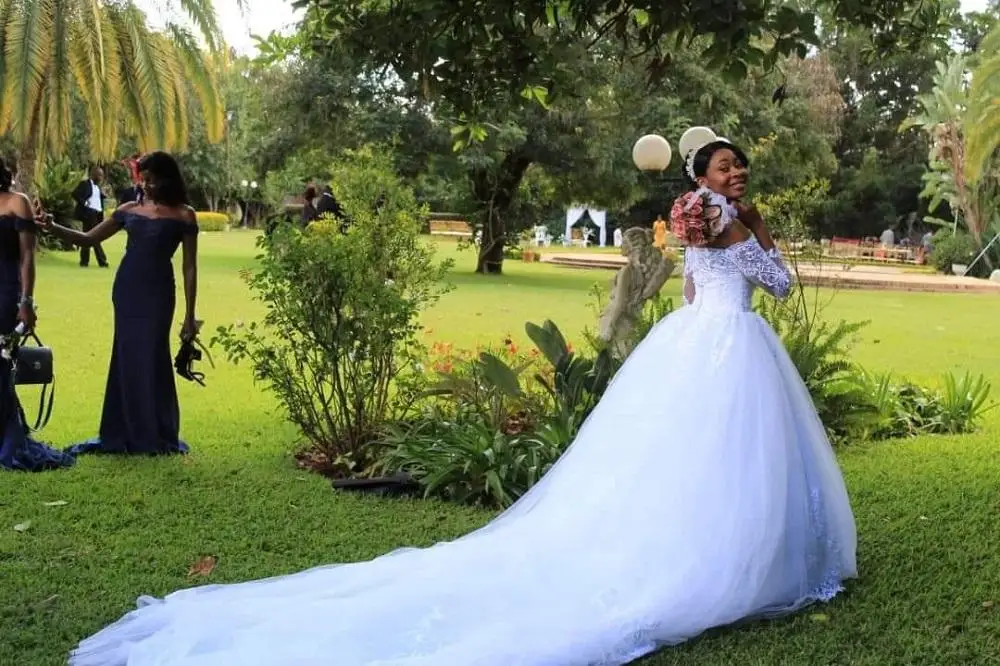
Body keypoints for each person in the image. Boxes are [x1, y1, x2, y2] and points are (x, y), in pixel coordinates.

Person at [66, 142, 856, 665]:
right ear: (702, 181)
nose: (736, 176)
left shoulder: (693, 224)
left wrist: (730, 246)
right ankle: (725, 558)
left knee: (686, 458)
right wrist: (759, 231)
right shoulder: (729, 222)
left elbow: (689, 284)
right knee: (726, 456)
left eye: (740, 169)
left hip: (691, 341)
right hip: (729, 345)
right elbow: (778, 286)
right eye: (726, 169)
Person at [40, 152, 199, 457]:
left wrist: (190, 316)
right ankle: (121, 429)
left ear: (168, 178)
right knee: (126, 355)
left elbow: (190, 267)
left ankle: (155, 431)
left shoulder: (184, 215)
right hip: (127, 289)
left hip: (159, 292)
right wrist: (51, 226)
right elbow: (87, 239)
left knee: (153, 354)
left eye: (152, 180)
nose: (147, 186)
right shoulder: (129, 209)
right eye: (144, 180)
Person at [0, 159, 75, 472]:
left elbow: (28, 256)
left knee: (1, 364)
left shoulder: (18, 202)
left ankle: (9, 441)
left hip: (6, 291)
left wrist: (27, 301)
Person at [71, 166, 110, 268]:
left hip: (96, 215)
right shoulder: (85, 184)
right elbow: (75, 194)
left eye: (102, 175)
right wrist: (85, 202)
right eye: (100, 175)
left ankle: (84, 261)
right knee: (95, 237)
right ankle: (102, 261)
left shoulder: (97, 187)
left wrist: (103, 196)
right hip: (88, 214)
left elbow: (97, 199)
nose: (101, 178)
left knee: (88, 238)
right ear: (94, 175)